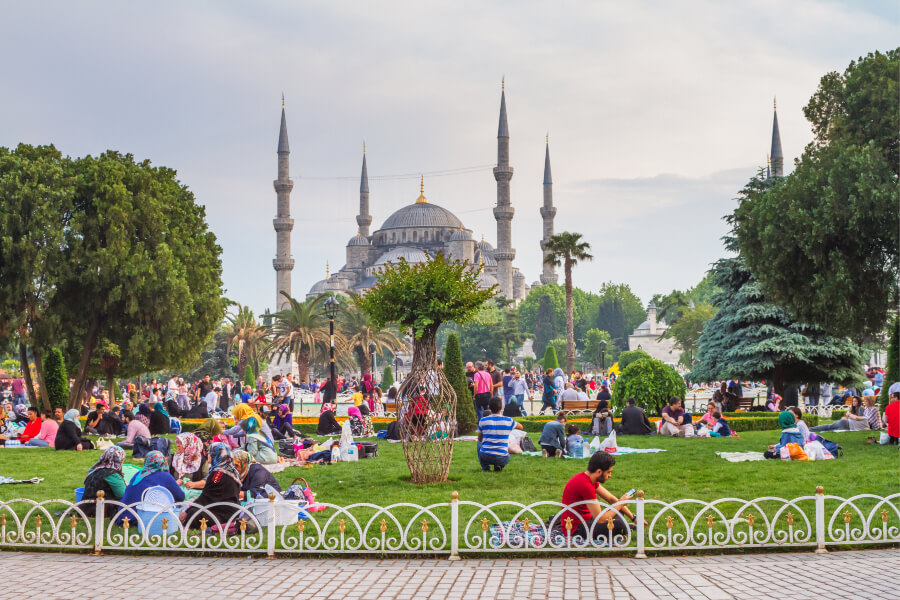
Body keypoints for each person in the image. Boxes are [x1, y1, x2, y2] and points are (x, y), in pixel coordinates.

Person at [559, 451, 644, 542]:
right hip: (576, 529)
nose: (610, 475)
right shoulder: (586, 485)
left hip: (587, 520)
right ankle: (620, 531)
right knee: (619, 523)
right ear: (599, 471)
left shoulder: (588, 478)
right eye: (608, 472)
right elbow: (600, 519)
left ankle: (620, 530)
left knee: (618, 511)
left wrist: (633, 517)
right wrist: (620, 504)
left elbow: (611, 499)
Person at [180, 442, 242, 528]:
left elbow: (206, 497)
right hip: (231, 512)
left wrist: (187, 512)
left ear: (216, 455)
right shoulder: (232, 472)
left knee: (193, 513)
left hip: (223, 515)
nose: (208, 455)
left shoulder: (218, 474)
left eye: (210, 453)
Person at [117, 451, 185, 524]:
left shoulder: (139, 474)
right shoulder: (165, 476)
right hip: (140, 517)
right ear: (163, 461)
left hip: (123, 516)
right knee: (182, 506)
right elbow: (180, 496)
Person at [476, 396, 523, 472]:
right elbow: (521, 427)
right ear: (501, 408)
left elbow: (479, 439)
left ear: (489, 407)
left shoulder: (483, 421)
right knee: (505, 453)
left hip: (485, 456)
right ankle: (499, 465)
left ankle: (485, 467)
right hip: (502, 457)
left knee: (479, 443)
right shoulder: (508, 421)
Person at [81, 446, 127, 517]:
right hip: (101, 510)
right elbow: (123, 494)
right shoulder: (112, 474)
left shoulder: (94, 470)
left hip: (84, 508)